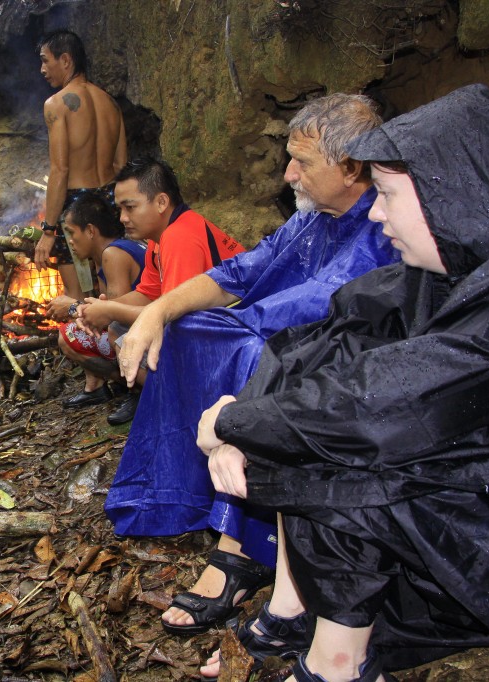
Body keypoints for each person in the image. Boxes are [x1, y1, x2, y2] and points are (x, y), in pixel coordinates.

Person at [196, 83, 489, 682]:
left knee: (331, 447)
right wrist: (243, 417)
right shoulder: (449, 270)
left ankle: (336, 658)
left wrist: (232, 425)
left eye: (384, 195)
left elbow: (379, 408)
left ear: (447, 197)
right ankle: (317, 626)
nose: (375, 215)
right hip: (467, 511)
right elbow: (312, 343)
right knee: (307, 413)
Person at [106, 95, 400, 635]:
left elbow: (319, 305)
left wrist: (235, 326)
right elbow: (238, 274)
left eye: (302, 162)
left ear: (351, 166)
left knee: (253, 353)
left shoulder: (385, 221)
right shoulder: (310, 222)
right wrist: (155, 315)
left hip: (343, 368)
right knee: (187, 330)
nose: (288, 173)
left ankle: (240, 545)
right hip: (276, 336)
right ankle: (184, 492)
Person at [77, 157, 244, 424]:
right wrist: (99, 309)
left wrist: (110, 309)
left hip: (232, 336)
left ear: (161, 202)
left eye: (130, 207)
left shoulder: (180, 237)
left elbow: (173, 313)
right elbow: (147, 292)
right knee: (118, 329)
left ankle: (191, 407)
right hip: (210, 326)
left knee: (126, 336)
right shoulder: (160, 240)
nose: (123, 218)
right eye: (120, 209)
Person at [35, 30, 127, 302]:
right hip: (110, 200)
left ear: (65, 60)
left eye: (45, 60)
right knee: (111, 292)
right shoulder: (110, 103)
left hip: (76, 204)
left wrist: (49, 231)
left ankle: (78, 343)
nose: (42, 69)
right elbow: (121, 164)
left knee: (75, 296)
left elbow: (60, 170)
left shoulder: (56, 105)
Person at [44, 193, 146, 407]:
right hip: (139, 326)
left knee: (69, 335)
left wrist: (72, 307)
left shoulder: (114, 254)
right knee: (78, 327)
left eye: (72, 233)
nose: (70, 241)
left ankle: (136, 389)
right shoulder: (104, 256)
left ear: (90, 231)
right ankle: (96, 387)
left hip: (142, 331)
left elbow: (115, 315)